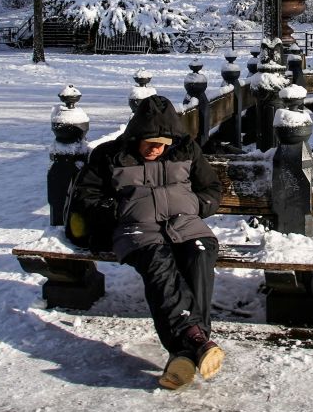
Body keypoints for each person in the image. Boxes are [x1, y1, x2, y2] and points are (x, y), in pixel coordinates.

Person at [69, 94, 225, 390]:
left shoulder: (186, 150)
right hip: (138, 231)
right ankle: (196, 341)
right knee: (159, 267)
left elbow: (211, 188)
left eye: (162, 144)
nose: (156, 149)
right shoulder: (110, 155)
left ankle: (184, 352)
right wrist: (118, 211)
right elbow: (87, 196)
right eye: (150, 142)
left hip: (187, 225)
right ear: (137, 135)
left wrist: (197, 205)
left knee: (199, 258)